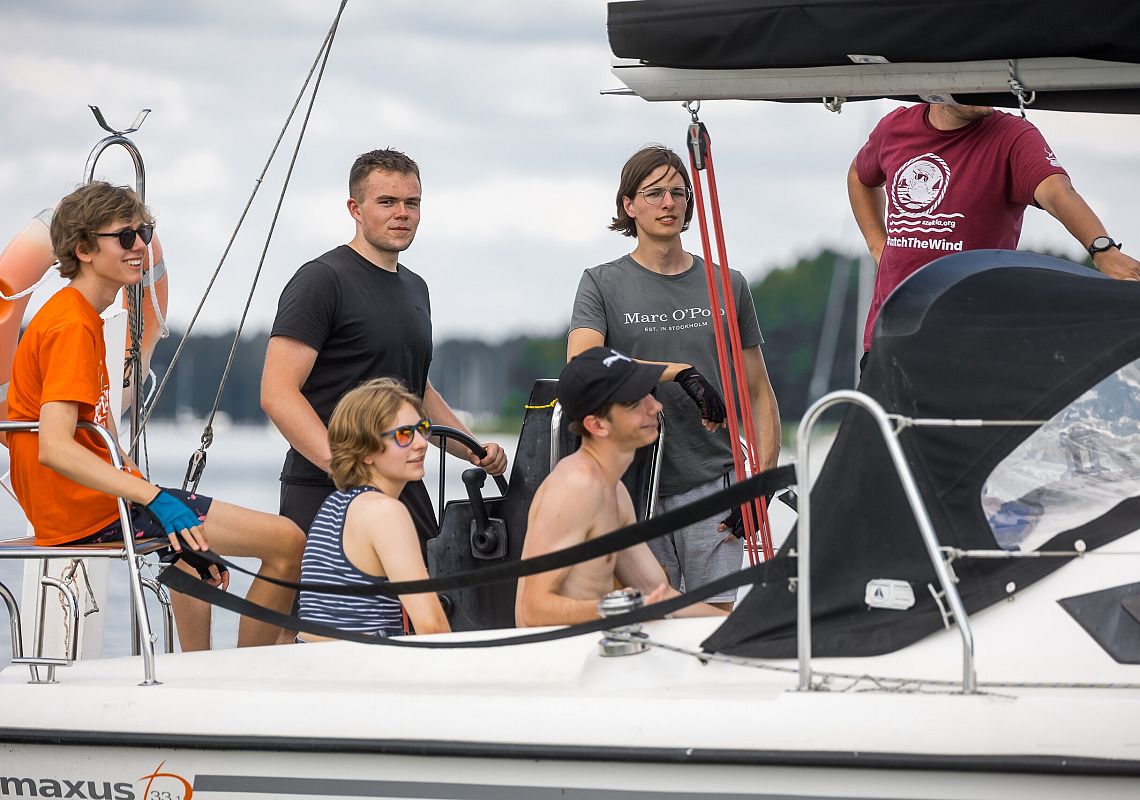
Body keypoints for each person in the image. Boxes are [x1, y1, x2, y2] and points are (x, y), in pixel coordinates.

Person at [6, 181, 305, 650]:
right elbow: (56, 447)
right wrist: (155, 498)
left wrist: (161, 502)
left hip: (91, 505)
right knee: (287, 542)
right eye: (125, 237)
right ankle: (246, 673)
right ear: (84, 248)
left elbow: (95, 435)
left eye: (143, 233)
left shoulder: (78, 316)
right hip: (83, 514)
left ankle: (196, 670)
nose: (141, 247)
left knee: (194, 551)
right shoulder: (70, 325)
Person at [261, 149, 507, 554]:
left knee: (430, 589)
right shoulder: (320, 280)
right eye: (387, 202)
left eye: (412, 203)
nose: (402, 214)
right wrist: (348, 470)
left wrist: (473, 449)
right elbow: (278, 393)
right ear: (355, 209)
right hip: (326, 487)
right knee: (325, 599)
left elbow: (416, 391)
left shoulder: (416, 287)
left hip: (402, 483)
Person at [568, 145, 780, 611]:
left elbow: (759, 393)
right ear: (629, 205)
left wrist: (760, 484)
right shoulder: (602, 283)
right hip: (631, 485)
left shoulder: (729, 284)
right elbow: (582, 365)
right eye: (654, 193)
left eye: (678, 192)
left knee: (715, 620)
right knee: (647, 621)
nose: (668, 203)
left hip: (713, 484)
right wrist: (676, 373)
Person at [848, 101, 1140, 365]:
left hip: (973, 344)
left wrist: (1103, 250)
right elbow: (860, 176)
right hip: (890, 340)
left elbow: (1057, 192)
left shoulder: (1013, 136)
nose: (986, 88)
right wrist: (877, 244)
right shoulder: (894, 127)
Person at [515, 347, 729, 627]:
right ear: (597, 425)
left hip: (599, 644)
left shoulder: (613, 490)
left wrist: (743, 624)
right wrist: (621, 608)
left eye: (649, 395)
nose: (655, 407)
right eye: (634, 403)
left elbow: (659, 595)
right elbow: (531, 611)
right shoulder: (575, 487)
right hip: (564, 652)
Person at [296, 378, 450, 640]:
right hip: (358, 662)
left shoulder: (335, 504)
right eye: (404, 434)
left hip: (315, 659)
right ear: (365, 452)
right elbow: (432, 626)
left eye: (422, 428)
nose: (422, 443)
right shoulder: (385, 512)